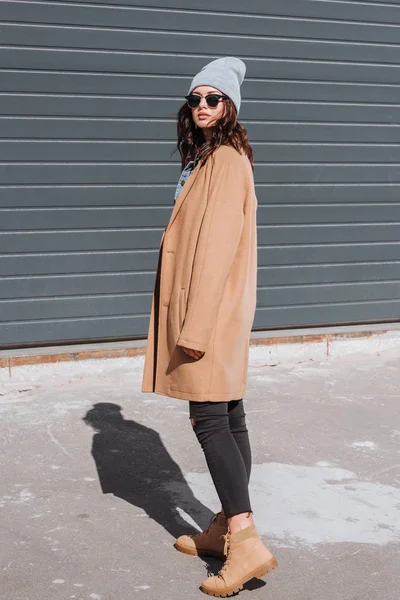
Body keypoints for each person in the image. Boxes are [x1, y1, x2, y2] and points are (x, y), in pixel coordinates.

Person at [141, 56, 278, 597]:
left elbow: (216, 249)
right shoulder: (211, 158)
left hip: (209, 315)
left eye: (212, 99)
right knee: (230, 415)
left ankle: (244, 540)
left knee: (210, 421)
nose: (201, 106)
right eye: (195, 98)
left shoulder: (223, 160)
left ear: (231, 107)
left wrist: (193, 330)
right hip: (216, 311)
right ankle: (224, 523)